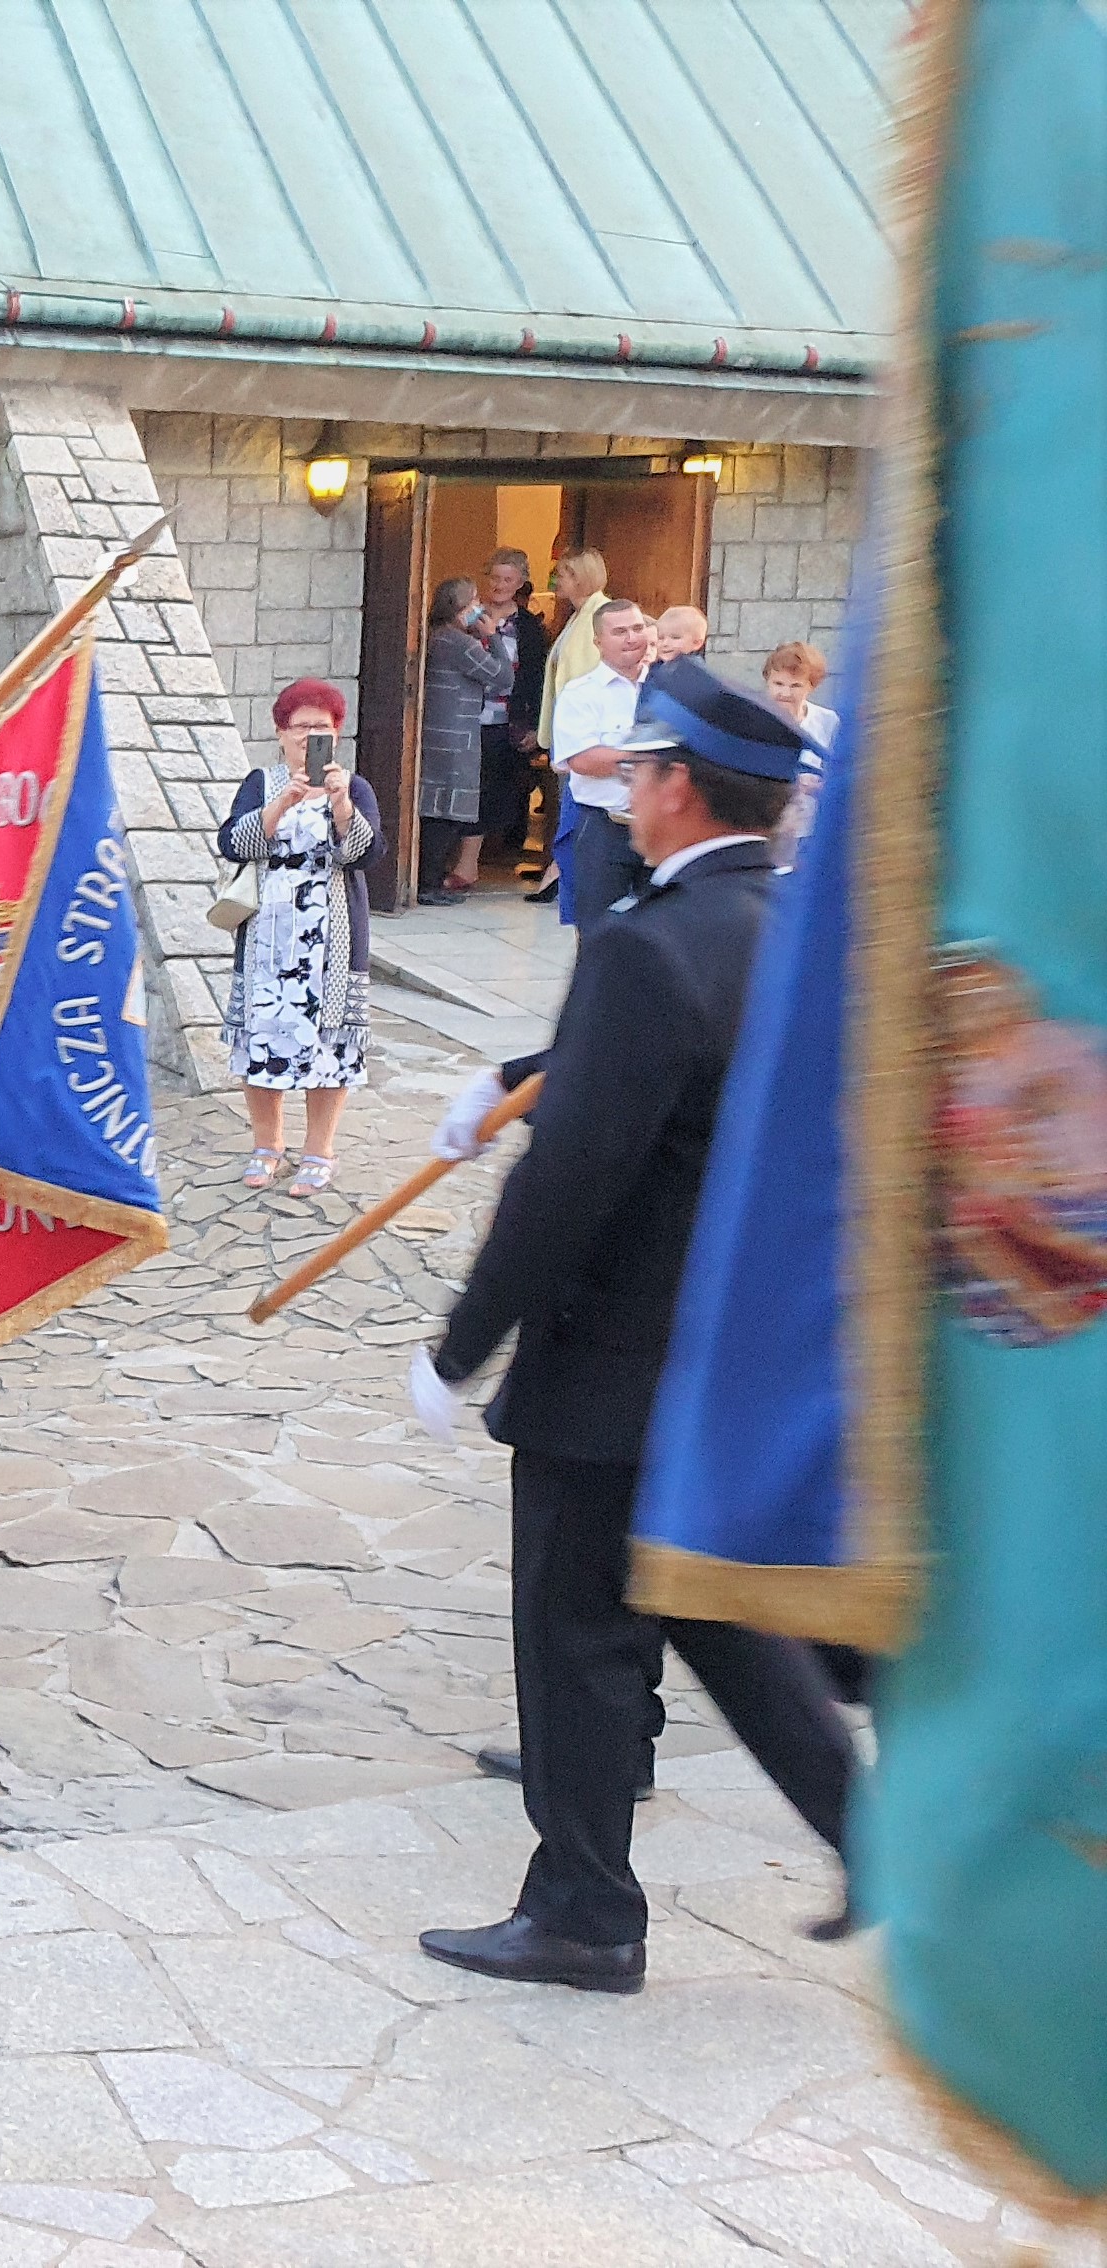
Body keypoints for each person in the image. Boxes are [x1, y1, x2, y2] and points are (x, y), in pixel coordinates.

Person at [411, 658, 856, 1990]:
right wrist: (527, 1068)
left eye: (641, 770)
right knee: (709, 1608)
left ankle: (585, 1913)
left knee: (578, 1639)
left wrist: (459, 1347)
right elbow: (683, 1067)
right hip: (726, 1349)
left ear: (676, 789)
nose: (626, 790)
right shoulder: (786, 925)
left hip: (611, 1355)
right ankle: (880, 1841)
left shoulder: (645, 945)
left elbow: (570, 1181)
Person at [219, 680, 384, 1195]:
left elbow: (366, 854)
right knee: (261, 1033)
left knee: (331, 1043)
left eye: (321, 727)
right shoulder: (261, 782)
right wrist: (283, 802)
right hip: (267, 933)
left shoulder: (354, 787)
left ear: (336, 733)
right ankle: (267, 1144)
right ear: (281, 733)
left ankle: (319, 1149)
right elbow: (233, 843)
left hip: (333, 934)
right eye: (300, 727)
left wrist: (340, 804)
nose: (310, 736)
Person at [549, 600, 660, 928]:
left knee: (662, 932)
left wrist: (621, 758)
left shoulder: (667, 691)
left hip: (662, 826)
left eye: (637, 629)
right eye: (620, 631)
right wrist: (650, 759)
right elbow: (583, 760)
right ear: (598, 641)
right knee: (599, 930)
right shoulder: (580, 694)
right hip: (605, 827)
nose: (631, 638)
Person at [418, 579, 513, 902]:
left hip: (439, 733)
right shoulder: (458, 642)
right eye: (473, 602)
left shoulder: (437, 636)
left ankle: (429, 880)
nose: (479, 608)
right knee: (445, 810)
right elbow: (503, 677)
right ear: (459, 609)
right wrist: (493, 636)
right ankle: (429, 884)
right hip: (455, 736)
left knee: (436, 807)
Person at [531, 552, 613, 903]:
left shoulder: (599, 616)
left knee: (576, 804)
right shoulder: (578, 615)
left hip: (582, 732)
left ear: (580, 578)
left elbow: (585, 676)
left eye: (561, 575)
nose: (555, 582)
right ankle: (560, 870)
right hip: (567, 729)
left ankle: (562, 872)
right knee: (567, 802)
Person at [483, 550, 551, 874]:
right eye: (495, 577)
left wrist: (535, 725)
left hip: (511, 719)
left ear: (520, 583)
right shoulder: (470, 617)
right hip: (469, 717)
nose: (499, 585)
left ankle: (502, 856)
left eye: (507, 579)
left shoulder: (529, 627)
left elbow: (537, 677)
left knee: (509, 788)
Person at [763, 640, 840, 871]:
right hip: (767, 828)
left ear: (811, 686)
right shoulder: (756, 719)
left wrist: (821, 785)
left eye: (795, 685)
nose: (785, 693)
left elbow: (842, 773)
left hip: (812, 830)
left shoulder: (828, 722)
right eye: (778, 684)